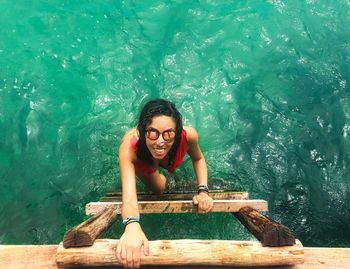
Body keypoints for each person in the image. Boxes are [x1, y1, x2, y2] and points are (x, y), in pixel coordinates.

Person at [116, 99, 213, 268]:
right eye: (153, 133)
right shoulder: (129, 148)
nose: (160, 141)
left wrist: (203, 190)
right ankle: (150, 169)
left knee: (169, 170)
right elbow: (129, 200)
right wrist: (132, 225)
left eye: (168, 134)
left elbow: (198, 158)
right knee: (160, 188)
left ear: (177, 132)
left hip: (169, 159)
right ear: (143, 130)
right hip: (143, 157)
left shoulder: (188, 136)